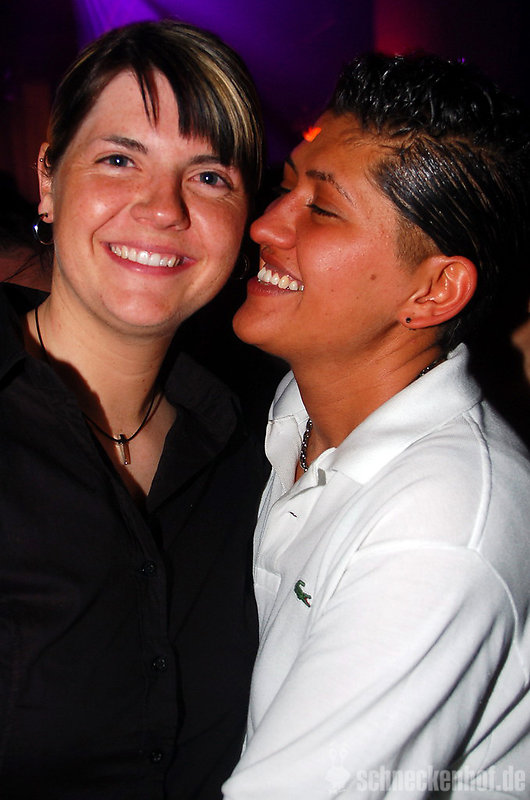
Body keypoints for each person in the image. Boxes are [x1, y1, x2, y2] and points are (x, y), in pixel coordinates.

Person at [222, 53, 530, 798]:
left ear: (434, 291)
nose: (263, 224)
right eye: (287, 187)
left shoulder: (439, 529)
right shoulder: (296, 406)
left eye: (322, 210)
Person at [0, 20, 267, 799]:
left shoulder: (259, 451)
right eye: (120, 160)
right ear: (49, 179)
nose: (162, 208)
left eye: (209, 176)